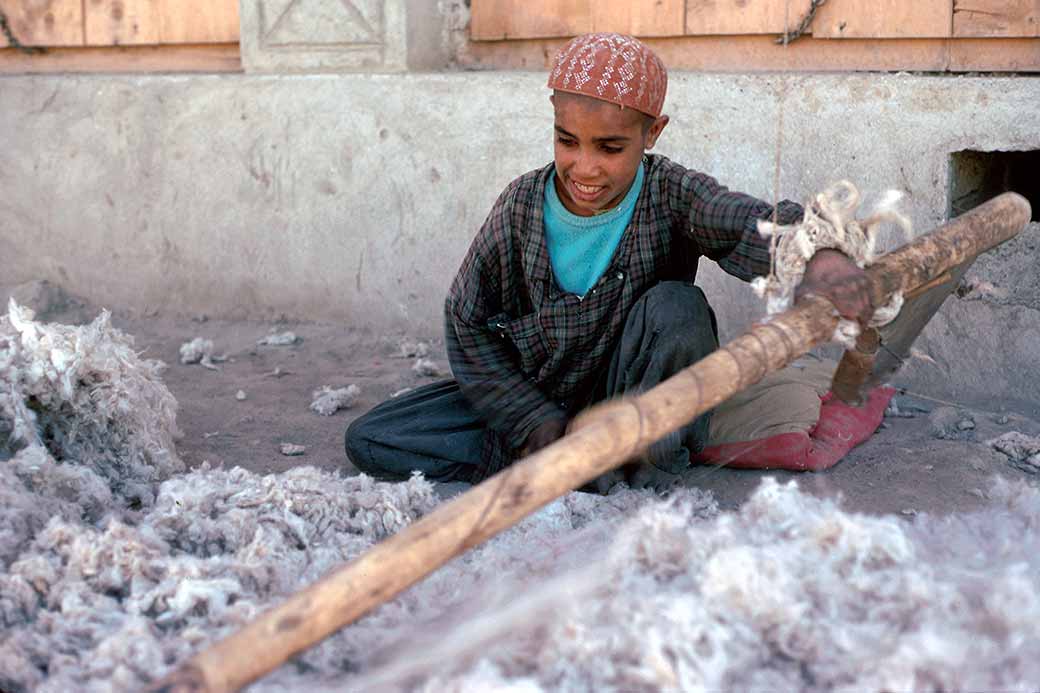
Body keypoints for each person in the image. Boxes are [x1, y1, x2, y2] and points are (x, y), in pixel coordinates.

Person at [345, 33, 872, 492]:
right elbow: (467, 325)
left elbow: (744, 220)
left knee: (678, 306)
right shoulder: (519, 207)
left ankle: (634, 465)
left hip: (632, 400)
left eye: (610, 147)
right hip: (542, 398)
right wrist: (536, 423)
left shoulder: (670, 191)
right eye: (566, 141)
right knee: (374, 437)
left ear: (652, 133)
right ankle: (573, 463)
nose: (585, 167)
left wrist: (816, 257)